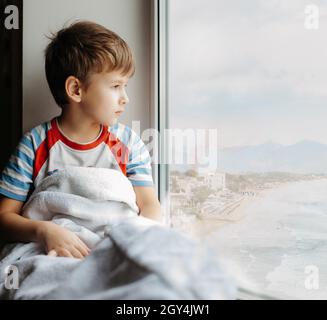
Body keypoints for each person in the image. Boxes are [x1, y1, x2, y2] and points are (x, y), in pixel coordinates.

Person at [0, 20, 162, 259]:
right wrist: (44, 231)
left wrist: (137, 244)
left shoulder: (127, 143)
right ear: (76, 90)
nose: (125, 98)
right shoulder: (34, 145)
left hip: (115, 249)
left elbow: (149, 205)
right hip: (56, 252)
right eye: (116, 85)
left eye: (125, 86)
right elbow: (4, 218)